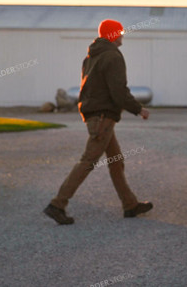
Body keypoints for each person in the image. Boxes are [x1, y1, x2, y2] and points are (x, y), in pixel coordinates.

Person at [44, 19, 153, 225]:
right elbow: (118, 91)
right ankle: (57, 205)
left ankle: (130, 205)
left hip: (97, 116)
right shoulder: (113, 56)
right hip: (103, 117)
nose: (122, 35)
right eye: (120, 32)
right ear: (113, 35)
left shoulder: (91, 57)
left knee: (115, 160)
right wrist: (139, 109)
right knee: (88, 162)